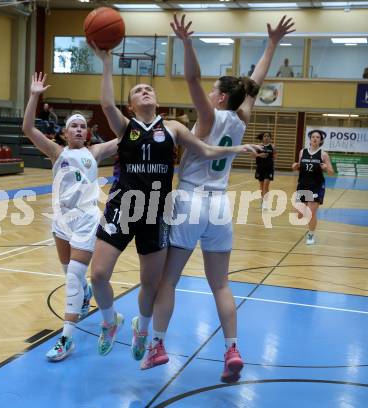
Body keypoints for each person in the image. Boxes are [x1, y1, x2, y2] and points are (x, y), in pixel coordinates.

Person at [142, 15, 295, 384]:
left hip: (191, 201)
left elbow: (192, 78)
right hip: (220, 207)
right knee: (221, 285)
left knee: (168, 281)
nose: (207, 93)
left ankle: (157, 345)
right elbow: (254, 86)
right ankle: (232, 349)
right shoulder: (241, 120)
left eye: (213, 90)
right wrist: (272, 43)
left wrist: (186, 42)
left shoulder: (209, 118)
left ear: (221, 97)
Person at [88, 41, 256, 361]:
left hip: (157, 212)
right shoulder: (126, 127)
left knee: (150, 284)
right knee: (98, 275)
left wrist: (236, 150)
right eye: (138, 90)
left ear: (157, 99)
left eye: (150, 88)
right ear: (131, 105)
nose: (146, 91)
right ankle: (110, 322)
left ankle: (143, 329)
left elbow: (205, 150)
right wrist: (107, 64)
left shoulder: (174, 127)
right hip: (123, 205)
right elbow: (107, 105)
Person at [22, 72, 119, 361]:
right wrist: (34, 95)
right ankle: (93, 301)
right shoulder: (56, 152)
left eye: (83, 127)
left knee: (74, 277)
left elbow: (127, 136)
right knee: (69, 273)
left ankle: (66, 339)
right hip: (62, 222)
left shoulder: (96, 151)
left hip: (87, 219)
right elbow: (28, 127)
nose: (78, 129)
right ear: (65, 132)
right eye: (73, 126)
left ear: (87, 133)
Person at [292, 129, 334, 245]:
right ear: (310, 139)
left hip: (316, 186)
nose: (315, 139)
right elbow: (300, 166)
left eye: (318, 137)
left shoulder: (323, 154)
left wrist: (326, 167)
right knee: (300, 215)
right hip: (303, 185)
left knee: (311, 212)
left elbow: (331, 172)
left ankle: (311, 235)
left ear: (320, 141)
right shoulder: (302, 152)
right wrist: (295, 166)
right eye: (313, 137)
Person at [253, 131, 276, 210]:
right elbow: (252, 155)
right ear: (262, 138)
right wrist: (260, 155)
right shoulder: (258, 146)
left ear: (270, 138)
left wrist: (270, 158)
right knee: (261, 186)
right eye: (265, 136)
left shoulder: (272, 147)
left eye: (268, 136)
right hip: (260, 168)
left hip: (269, 168)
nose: (266, 137)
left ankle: (265, 204)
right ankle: (262, 201)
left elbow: (275, 156)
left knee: (266, 185)